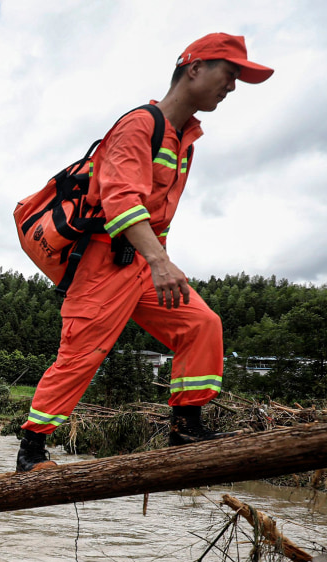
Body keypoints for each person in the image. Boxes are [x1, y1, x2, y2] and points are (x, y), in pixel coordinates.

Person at [16, 33, 273, 473]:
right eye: (228, 75)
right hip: (104, 263)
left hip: (142, 265)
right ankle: (32, 449)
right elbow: (119, 200)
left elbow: (158, 217)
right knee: (81, 355)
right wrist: (160, 261)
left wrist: (157, 260)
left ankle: (186, 426)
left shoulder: (184, 139)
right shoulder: (141, 124)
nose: (231, 87)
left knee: (201, 324)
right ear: (194, 69)